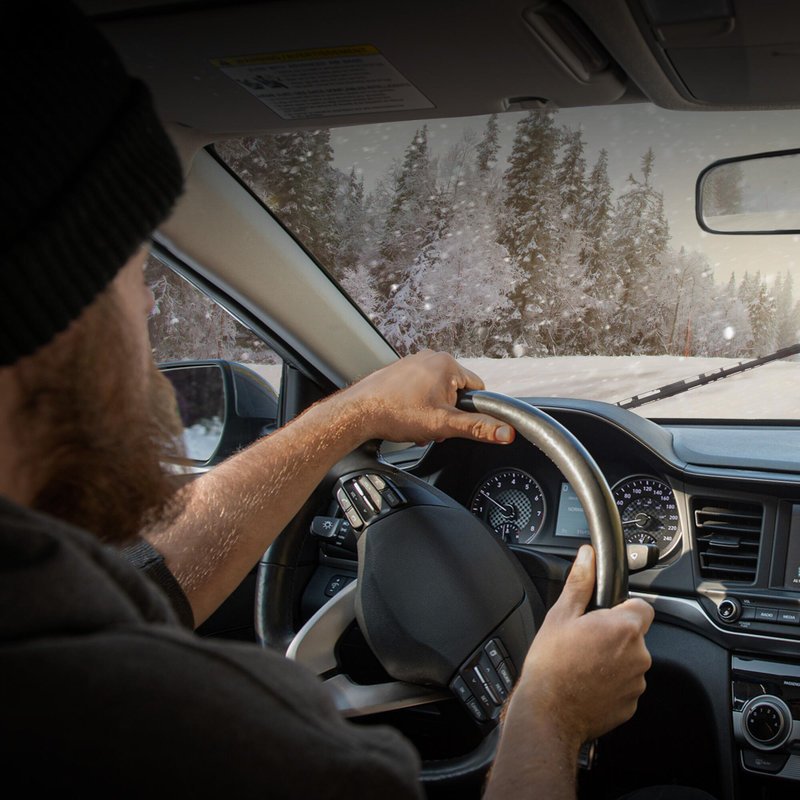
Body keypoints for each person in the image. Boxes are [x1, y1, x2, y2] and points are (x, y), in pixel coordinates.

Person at [0, 4, 655, 797]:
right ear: (46, 324)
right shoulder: (208, 741)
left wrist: (354, 413)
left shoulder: (41, 612)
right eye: (135, 277)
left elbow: (153, 583)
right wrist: (548, 714)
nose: (147, 311)